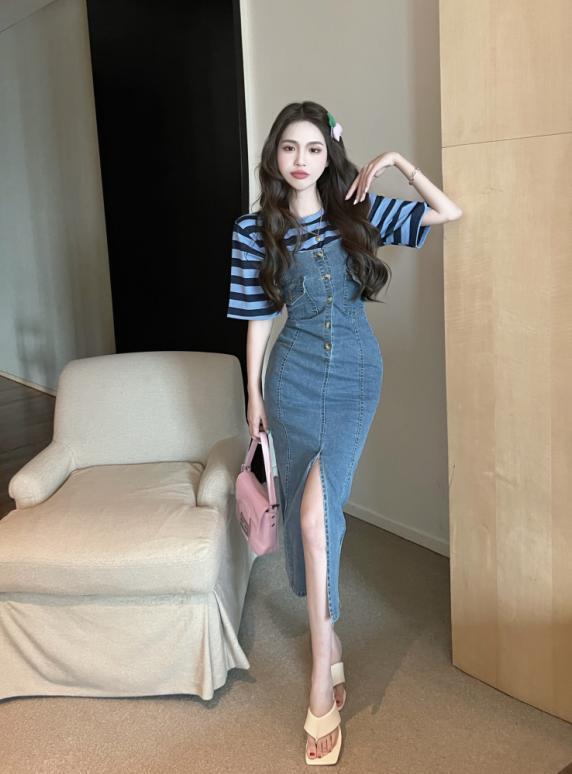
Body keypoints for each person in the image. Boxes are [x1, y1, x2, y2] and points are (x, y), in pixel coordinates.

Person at [226, 100, 462, 765]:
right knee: (309, 516)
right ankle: (326, 644)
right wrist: (253, 393)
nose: (300, 160)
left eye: (314, 148)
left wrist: (398, 163)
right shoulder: (254, 230)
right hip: (291, 381)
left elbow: (447, 212)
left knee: (314, 515)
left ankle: (318, 676)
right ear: (274, 155)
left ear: (329, 155)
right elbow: (257, 316)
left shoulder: (357, 212)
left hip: (356, 377)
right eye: (289, 148)